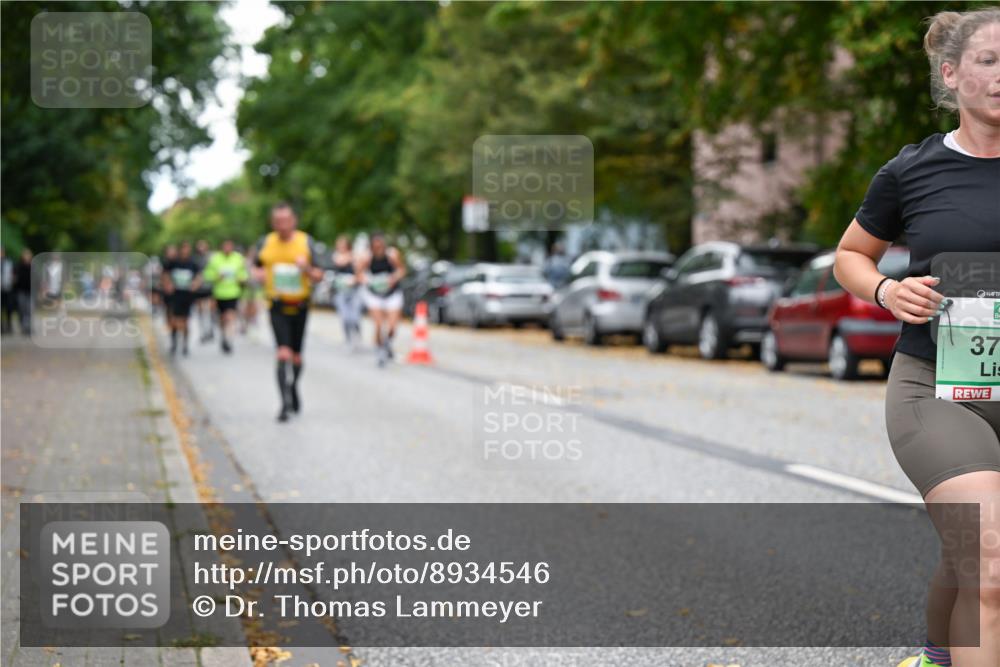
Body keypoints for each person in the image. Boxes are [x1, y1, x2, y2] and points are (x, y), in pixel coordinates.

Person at [832, 9, 1000, 667]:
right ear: (952, 74)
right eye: (991, 59)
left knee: (973, 554)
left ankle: (936, 653)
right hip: (939, 387)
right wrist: (885, 290)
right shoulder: (912, 171)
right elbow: (849, 255)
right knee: (989, 557)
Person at [251, 202, 324, 422]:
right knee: (283, 353)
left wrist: (307, 269)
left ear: (294, 221)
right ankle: (284, 404)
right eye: (277, 222)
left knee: (297, 357)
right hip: (277, 305)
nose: (282, 226)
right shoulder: (265, 243)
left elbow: (319, 275)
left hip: (300, 305)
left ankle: (293, 387)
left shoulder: (306, 242)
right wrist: (258, 274)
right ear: (273, 223)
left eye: (285, 221)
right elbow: (255, 265)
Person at [356, 232, 406, 367]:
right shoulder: (366, 257)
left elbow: (401, 270)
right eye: (375, 246)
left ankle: (387, 344)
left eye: (380, 245)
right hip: (374, 294)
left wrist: (393, 278)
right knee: (378, 325)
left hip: (392, 293)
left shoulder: (392, 255)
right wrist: (369, 281)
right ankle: (380, 351)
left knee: (392, 328)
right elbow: (359, 274)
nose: (378, 248)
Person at [202, 238, 249, 354]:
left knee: (230, 316)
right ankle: (223, 335)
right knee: (222, 318)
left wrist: (241, 278)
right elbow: (207, 274)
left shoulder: (238, 258)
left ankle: (229, 340)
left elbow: (244, 273)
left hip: (233, 293)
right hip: (219, 293)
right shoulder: (215, 259)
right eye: (225, 246)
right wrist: (216, 277)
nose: (227, 248)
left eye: (230, 246)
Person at [161, 241, 202, 357]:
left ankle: (185, 344)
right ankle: (174, 342)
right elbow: (165, 274)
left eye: (187, 249)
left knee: (185, 321)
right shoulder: (173, 263)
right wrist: (168, 285)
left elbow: (199, 277)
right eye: (183, 249)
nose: (185, 252)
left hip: (187, 296)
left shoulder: (193, 263)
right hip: (176, 295)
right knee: (174, 320)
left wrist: (195, 284)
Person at [331, 234, 362, 347]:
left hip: (353, 291)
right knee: (344, 317)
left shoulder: (355, 258)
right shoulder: (334, 257)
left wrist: (354, 280)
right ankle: (348, 339)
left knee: (354, 317)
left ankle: (357, 333)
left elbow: (359, 274)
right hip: (340, 291)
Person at [194, 239, 215, 343]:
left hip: (210, 287)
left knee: (211, 310)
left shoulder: (212, 257)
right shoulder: (195, 259)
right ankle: (203, 331)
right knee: (201, 310)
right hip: (199, 288)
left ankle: (211, 329)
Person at [14, 248, 32, 335]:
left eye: (28, 255)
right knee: (22, 309)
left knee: (29, 310)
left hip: (30, 291)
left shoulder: (33, 266)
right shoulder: (18, 266)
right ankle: (23, 326)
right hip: (21, 291)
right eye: (25, 255)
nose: (27, 257)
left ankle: (28, 327)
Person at [1, 247, 14, 334]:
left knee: (9, 308)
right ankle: (1, 327)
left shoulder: (8, 263)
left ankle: (9, 326)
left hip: (7, 288)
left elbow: (13, 273)